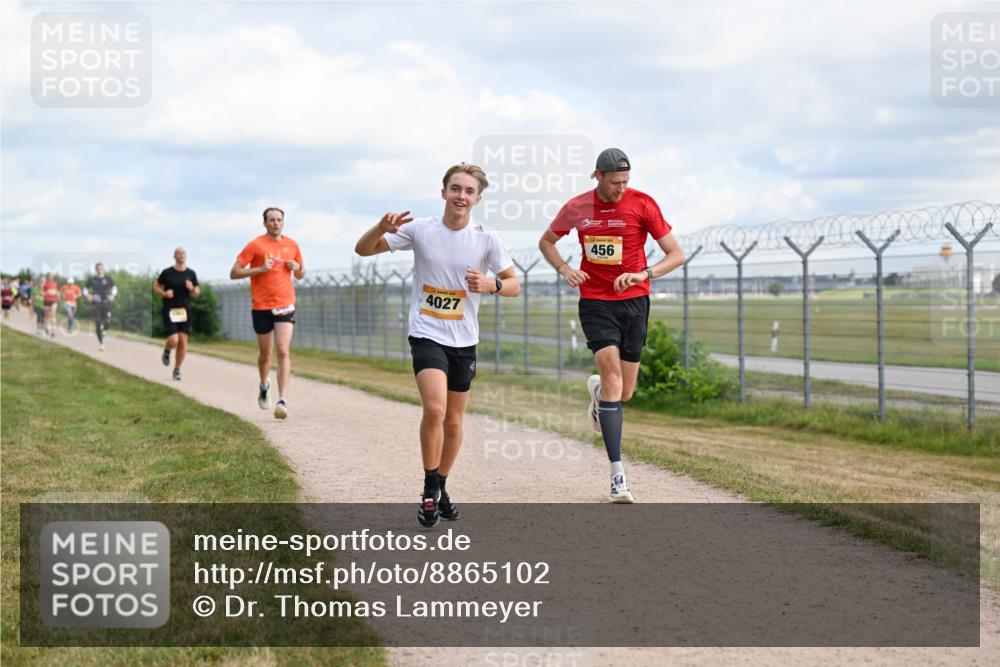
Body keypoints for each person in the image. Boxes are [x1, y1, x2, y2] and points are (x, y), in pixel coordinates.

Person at [355, 163, 520, 527]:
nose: (462, 195)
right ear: (443, 192)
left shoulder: (486, 239)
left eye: (469, 191)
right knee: (435, 409)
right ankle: (430, 488)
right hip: (427, 332)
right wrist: (380, 228)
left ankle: (442, 484)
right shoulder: (420, 230)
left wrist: (491, 285)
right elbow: (363, 250)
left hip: (464, 339)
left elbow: (513, 285)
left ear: (478, 199)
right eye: (456, 188)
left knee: (455, 422)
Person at [538, 148, 684, 503]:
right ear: (598, 176)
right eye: (615, 182)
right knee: (613, 378)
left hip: (634, 302)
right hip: (595, 300)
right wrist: (565, 269)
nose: (621, 189)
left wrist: (643, 273)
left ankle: (598, 394)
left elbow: (676, 254)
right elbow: (546, 241)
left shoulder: (643, 204)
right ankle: (618, 476)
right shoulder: (578, 207)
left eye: (625, 182)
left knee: (624, 392)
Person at [230, 207, 305, 419]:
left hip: (285, 303)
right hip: (261, 305)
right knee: (266, 355)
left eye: (279, 219)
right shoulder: (255, 245)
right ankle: (264, 384)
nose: (275, 223)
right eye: (271, 220)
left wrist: (297, 267)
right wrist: (259, 269)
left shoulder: (292, 244)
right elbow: (234, 272)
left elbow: (301, 274)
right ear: (265, 223)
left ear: (283, 222)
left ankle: (282, 400)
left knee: (282, 350)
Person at [154, 247, 201, 381]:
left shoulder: (191, 273)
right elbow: (156, 286)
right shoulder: (167, 272)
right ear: (174, 256)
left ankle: (177, 369)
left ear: (186, 256)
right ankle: (167, 350)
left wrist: (192, 288)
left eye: (183, 253)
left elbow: (197, 293)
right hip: (170, 310)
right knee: (174, 340)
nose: (181, 255)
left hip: (185, 311)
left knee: (183, 342)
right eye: (178, 253)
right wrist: (164, 293)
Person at [84, 263, 117, 350]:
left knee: (108, 321)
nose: (99, 270)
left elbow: (114, 288)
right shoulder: (92, 280)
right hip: (96, 303)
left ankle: (105, 330)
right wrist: (88, 295)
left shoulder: (108, 279)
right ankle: (101, 343)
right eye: (98, 268)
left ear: (103, 269)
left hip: (106, 302)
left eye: (101, 268)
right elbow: (85, 289)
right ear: (96, 270)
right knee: (98, 323)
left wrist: (113, 295)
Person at [42, 273, 59, 337]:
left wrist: (56, 293)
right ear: (47, 277)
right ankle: (46, 327)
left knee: (53, 316)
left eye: (51, 276)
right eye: (49, 276)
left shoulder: (55, 283)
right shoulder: (44, 284)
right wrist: (47, 292)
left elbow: (56, 291)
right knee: (46, 317)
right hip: (46, 301)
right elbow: (42, 292)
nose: (50, 278)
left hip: (53, 301)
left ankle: (53, 331)